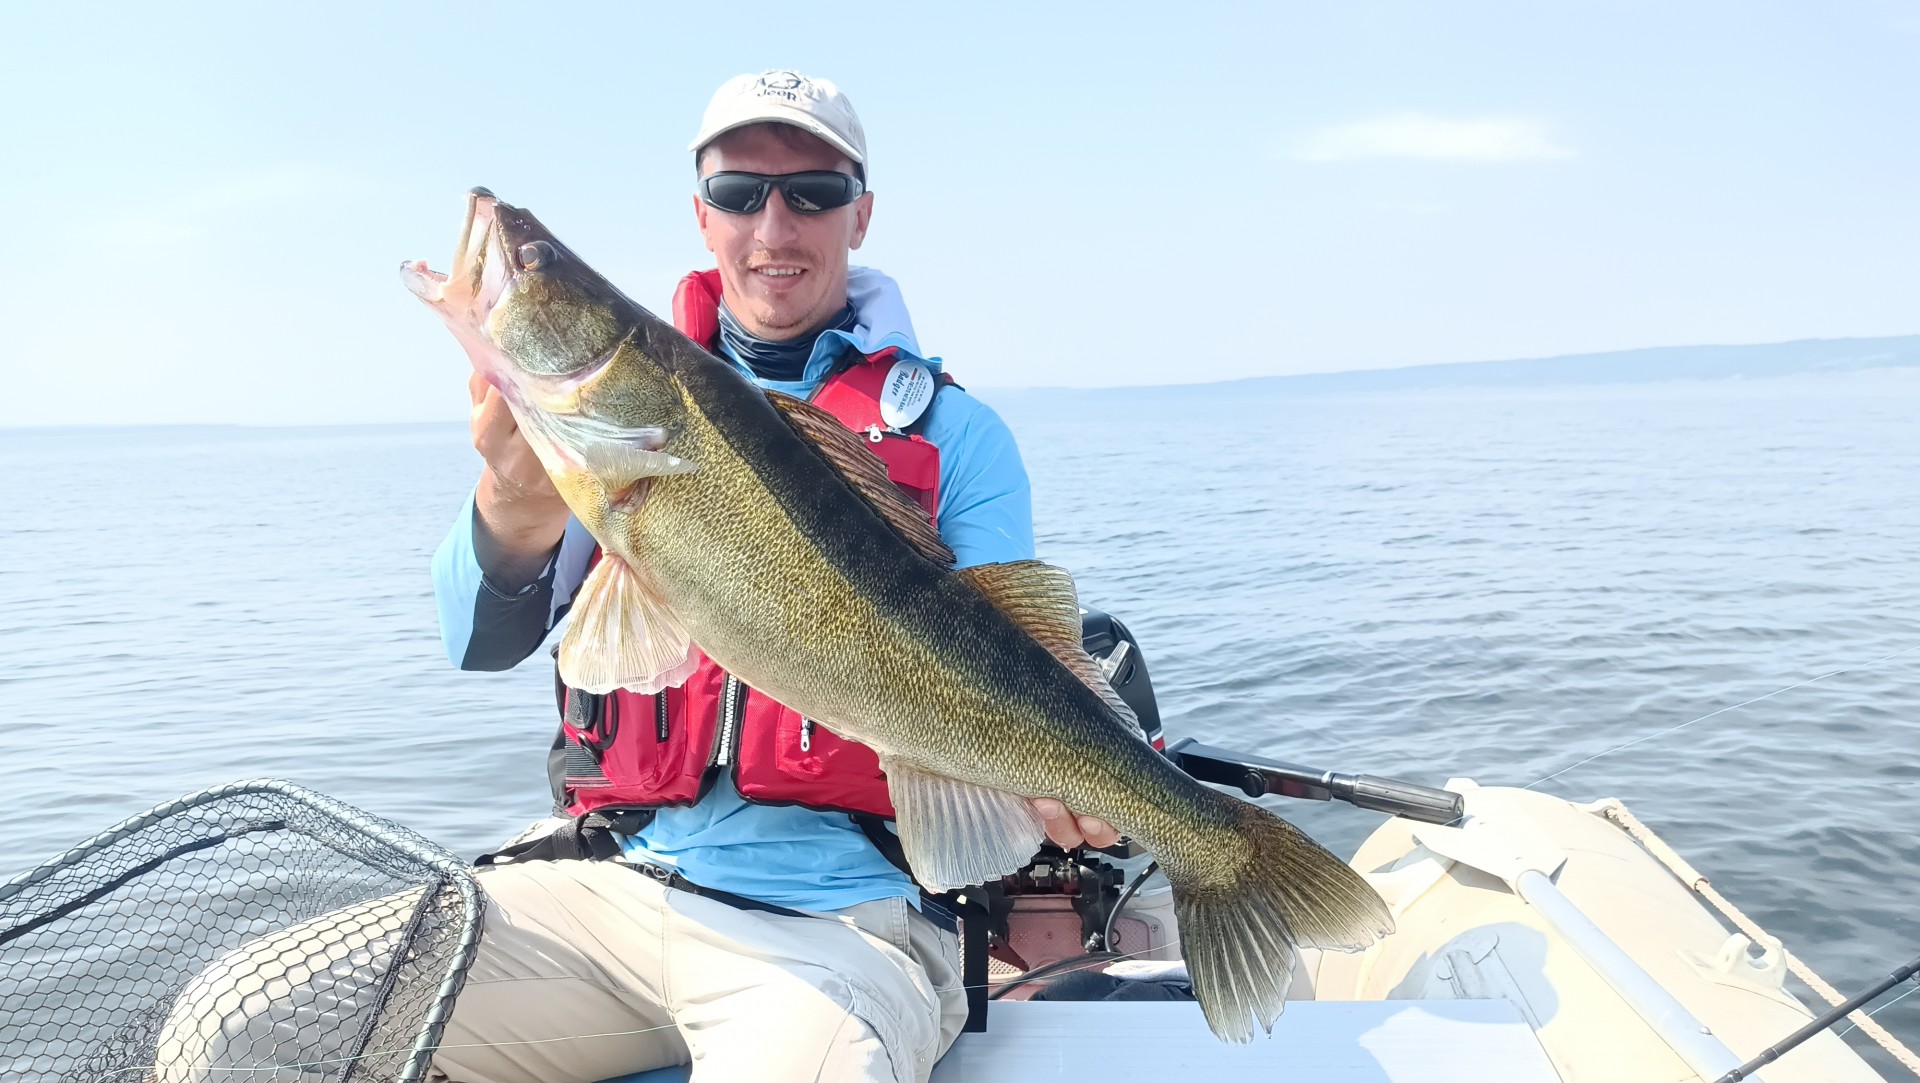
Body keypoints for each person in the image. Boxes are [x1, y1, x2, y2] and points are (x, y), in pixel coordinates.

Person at [421, 70, 1120, 1082]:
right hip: (609, 888)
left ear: (861, 215)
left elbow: (1011, 657)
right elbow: (477, 641)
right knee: (246, 1020)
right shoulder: (621, 421)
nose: (774, 225)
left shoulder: (959, 436)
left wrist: (1078, 778)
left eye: (814, 193)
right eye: (740, 192)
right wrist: (510, 498)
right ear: (702, 215)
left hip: (847, 922)